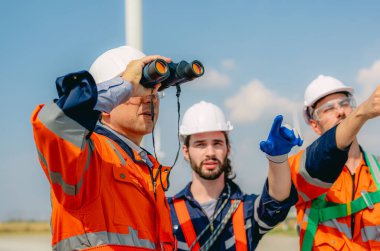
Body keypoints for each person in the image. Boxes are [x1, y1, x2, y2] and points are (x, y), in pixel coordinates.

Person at [31, 46, 176, 251]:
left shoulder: (147, 169)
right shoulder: (88, 157)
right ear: (106, 108)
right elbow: (54, 122)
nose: (148, 98)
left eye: (153, 90)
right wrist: (124, 84)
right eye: (136, 91)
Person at [168, 101, 303, 251]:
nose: (210, 152)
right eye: (200, 144)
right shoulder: (167, 212)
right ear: (186, 152)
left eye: (217, 143)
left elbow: (276, 200)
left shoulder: (246, 209)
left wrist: (278, 158)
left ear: (228, 148)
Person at [289, 75, 380, 250]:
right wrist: (363, 112)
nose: (340, 111)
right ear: (315, 125)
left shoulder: (378, 169)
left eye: (344, 103)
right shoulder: (302, 171)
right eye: (328, 108)